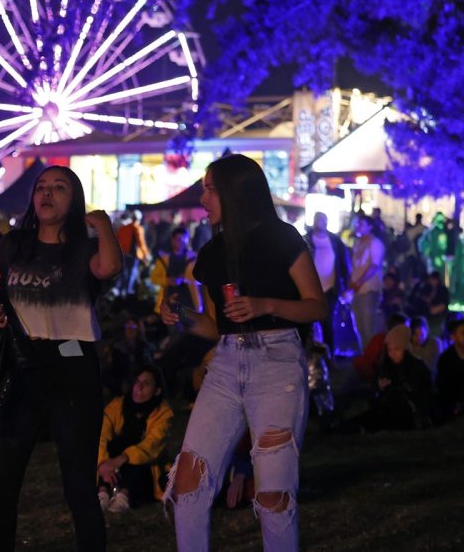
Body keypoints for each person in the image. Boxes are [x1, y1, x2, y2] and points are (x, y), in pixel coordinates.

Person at [158, 154, 326, 552]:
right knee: (188, 480)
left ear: (235, 193)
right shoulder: (213, 253)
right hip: (226, 362)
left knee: (273, 492)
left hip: (277, 363)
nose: (202, 197)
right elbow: (217, 327)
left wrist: (265, 305)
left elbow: (316, 306)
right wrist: (180, 313)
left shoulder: (283, 238)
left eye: (210, 188)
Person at [0, 165, 122, 552]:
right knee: (3, 478)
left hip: (72, 365)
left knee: (77, 483)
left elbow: (110, 268)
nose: (47, 193)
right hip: (22, 364)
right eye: (41, 186)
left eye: (59, 187)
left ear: (73, 199)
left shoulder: (85, 247)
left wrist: (104, 226)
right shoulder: (14, 245)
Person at [96, 366, 174, 514]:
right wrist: (103, 463)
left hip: (143, 470)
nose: (139, 386)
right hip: (113, 464)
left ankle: (124, 496)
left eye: (147, 383)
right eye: (138, 381)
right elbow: (101, 434)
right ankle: (103, 493)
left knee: (138, 457)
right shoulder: (117, 405)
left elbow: (151, 445)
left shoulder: (163, 414)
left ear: (157, 390)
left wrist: (124, 458)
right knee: (110, 446)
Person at [367, 324, 433, 430]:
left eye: (397, 349)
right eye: (390, 350)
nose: (393, 354)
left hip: (411, 412)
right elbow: (373, 393)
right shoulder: (385, 366)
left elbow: (422, 393)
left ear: (405, 348)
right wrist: (379, 387)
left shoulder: (417, 367)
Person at [307, 212, 350, 349]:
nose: (321, 223)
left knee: (327, 322)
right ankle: (311, 354)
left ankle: (328, 354)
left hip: (330, 288)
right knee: (309, 322)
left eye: (324, 220)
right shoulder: (306, 239)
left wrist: (345, 286)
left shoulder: (334, 240)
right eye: (319, 220)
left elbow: (344, 263)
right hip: (310, 288)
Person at [348, 212, 385, 350]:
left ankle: (372, 359)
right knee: (359, 326)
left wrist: (359, 282)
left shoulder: (375, 243)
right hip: (357, 290)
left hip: (368, 290)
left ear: (370, 227)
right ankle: (364, 357)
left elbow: (374, 266)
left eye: (361, 224)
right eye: (357, 223)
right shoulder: (358, 244)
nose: (357, 226)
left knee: (368, 326)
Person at [149, 226, 201, 313]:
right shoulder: (163, 258)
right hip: (169, 301)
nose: (182, 242)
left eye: (184, 240)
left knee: (186, 322)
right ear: (172, 240)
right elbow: (154, 278)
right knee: (173, 323)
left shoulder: (193, 258)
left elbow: (200, 279)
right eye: (179, 239)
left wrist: (184, 278)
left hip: (188, 302)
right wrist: (167, 280)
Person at [116, 210, 150, 297]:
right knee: (132, 274)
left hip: (123, 254)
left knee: (124, 273)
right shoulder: (138, 228)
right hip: (133, 256)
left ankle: (120, 292)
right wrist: (146, 255)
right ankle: (128, 292)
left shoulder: (123, 228)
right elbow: (141, 243)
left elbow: (117, 239)